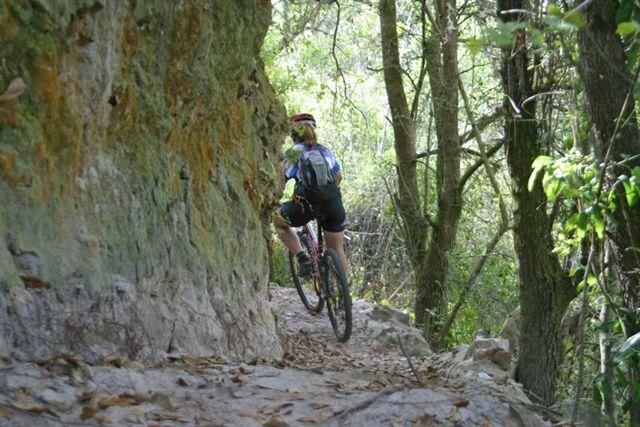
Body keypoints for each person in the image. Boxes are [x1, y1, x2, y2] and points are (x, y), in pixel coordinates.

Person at [274, 113, 349, 278]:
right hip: (333, 203)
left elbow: (280, 181)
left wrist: (274, 199)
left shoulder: (293, 153)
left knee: (278, 221)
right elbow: (338, 177)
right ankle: (345, 297)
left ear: (293, 134)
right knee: (337, 249)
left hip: (305, 205)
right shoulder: (325, 150)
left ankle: (301, 257)